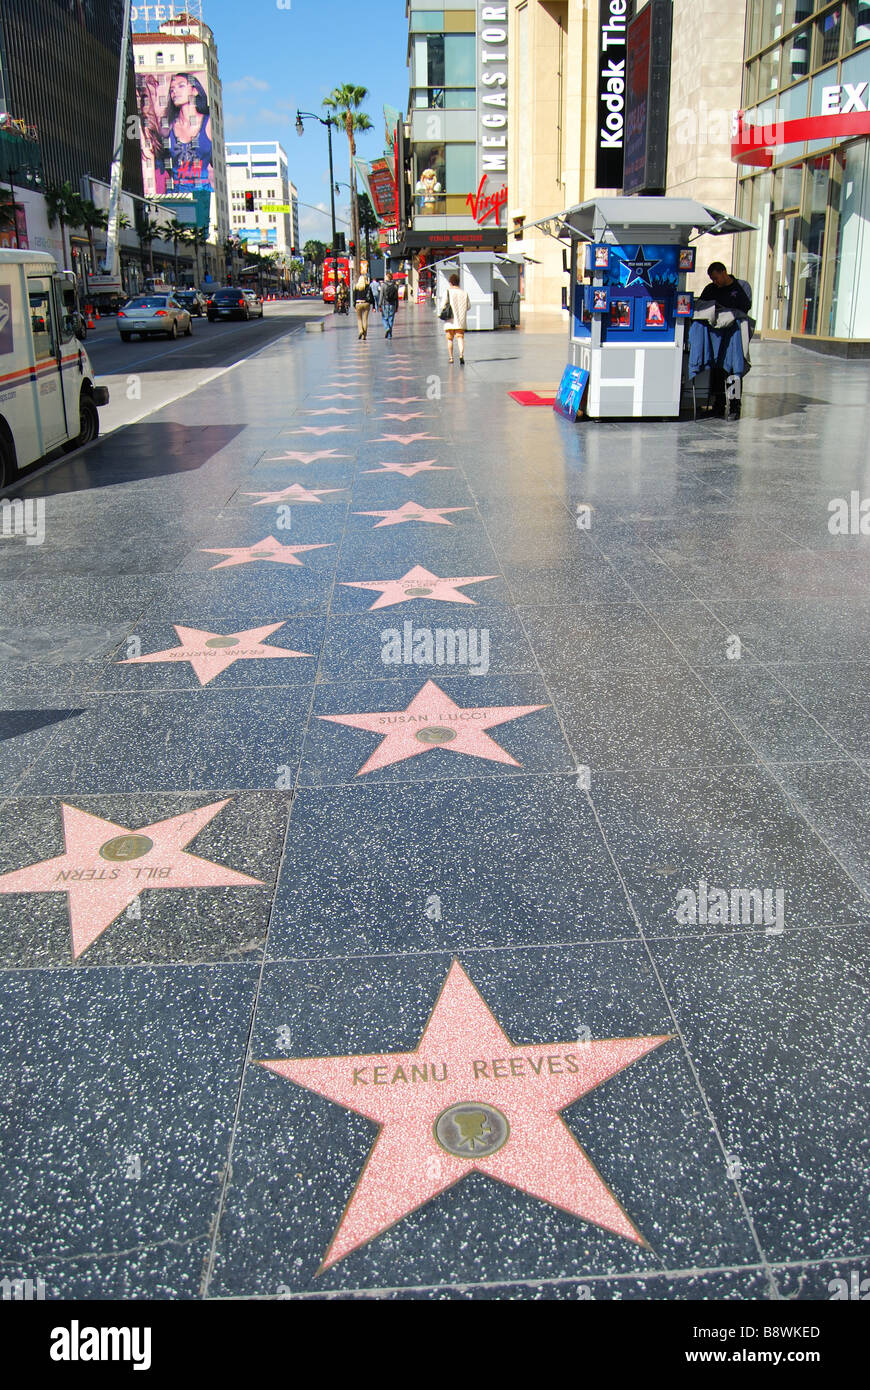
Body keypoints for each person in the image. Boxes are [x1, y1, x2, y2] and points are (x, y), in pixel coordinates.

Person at [696, 263, 753, 420]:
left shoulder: (741, 286)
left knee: (734, 369)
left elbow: (746, 307)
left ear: (724, 272)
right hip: (716, 336)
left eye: (716, 278)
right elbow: (700, 306)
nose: (715, 282)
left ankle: (735, 406)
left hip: (734, 334)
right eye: (712, 279)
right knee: (717, 370)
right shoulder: (710, 289)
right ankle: (718, 405)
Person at [164, 73, 214, 191]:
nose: (175, 92)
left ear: (195, 90)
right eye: (172, 90)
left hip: (202, 193)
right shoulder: (168, 127)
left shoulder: (209, 123)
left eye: (181, 86)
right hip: (175, 195)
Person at [441, 272, 470, 365]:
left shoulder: (447, 292)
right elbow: (468, 306)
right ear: (458, 282)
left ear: (450, 283)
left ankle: (451, 357)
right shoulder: (464, 293)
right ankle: (461, 354)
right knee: (460, 338)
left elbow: (442, 305)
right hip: (460, 320)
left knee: (450, 339)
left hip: (450, 320)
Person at [353, 273, 374, 339]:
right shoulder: (368, 286)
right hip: (366, 303)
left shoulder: (356, 287)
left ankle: (360, 330)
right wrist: (373, 305)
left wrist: (354, 305)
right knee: (365, 319)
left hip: (358, 303)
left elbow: (354, 297)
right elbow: (371, 296)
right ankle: (364, 336)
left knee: (359, 319)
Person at [382, 271, 399, 338]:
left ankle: (386, 328)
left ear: (387, 278)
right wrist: (397, 306)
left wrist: (379, 305)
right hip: (392, 304)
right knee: (391, 319)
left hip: (385, 304)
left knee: (384, 318)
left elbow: (381, 296)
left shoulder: (383, 285)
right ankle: (389, 335)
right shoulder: (395, 285)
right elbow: (396, 297)